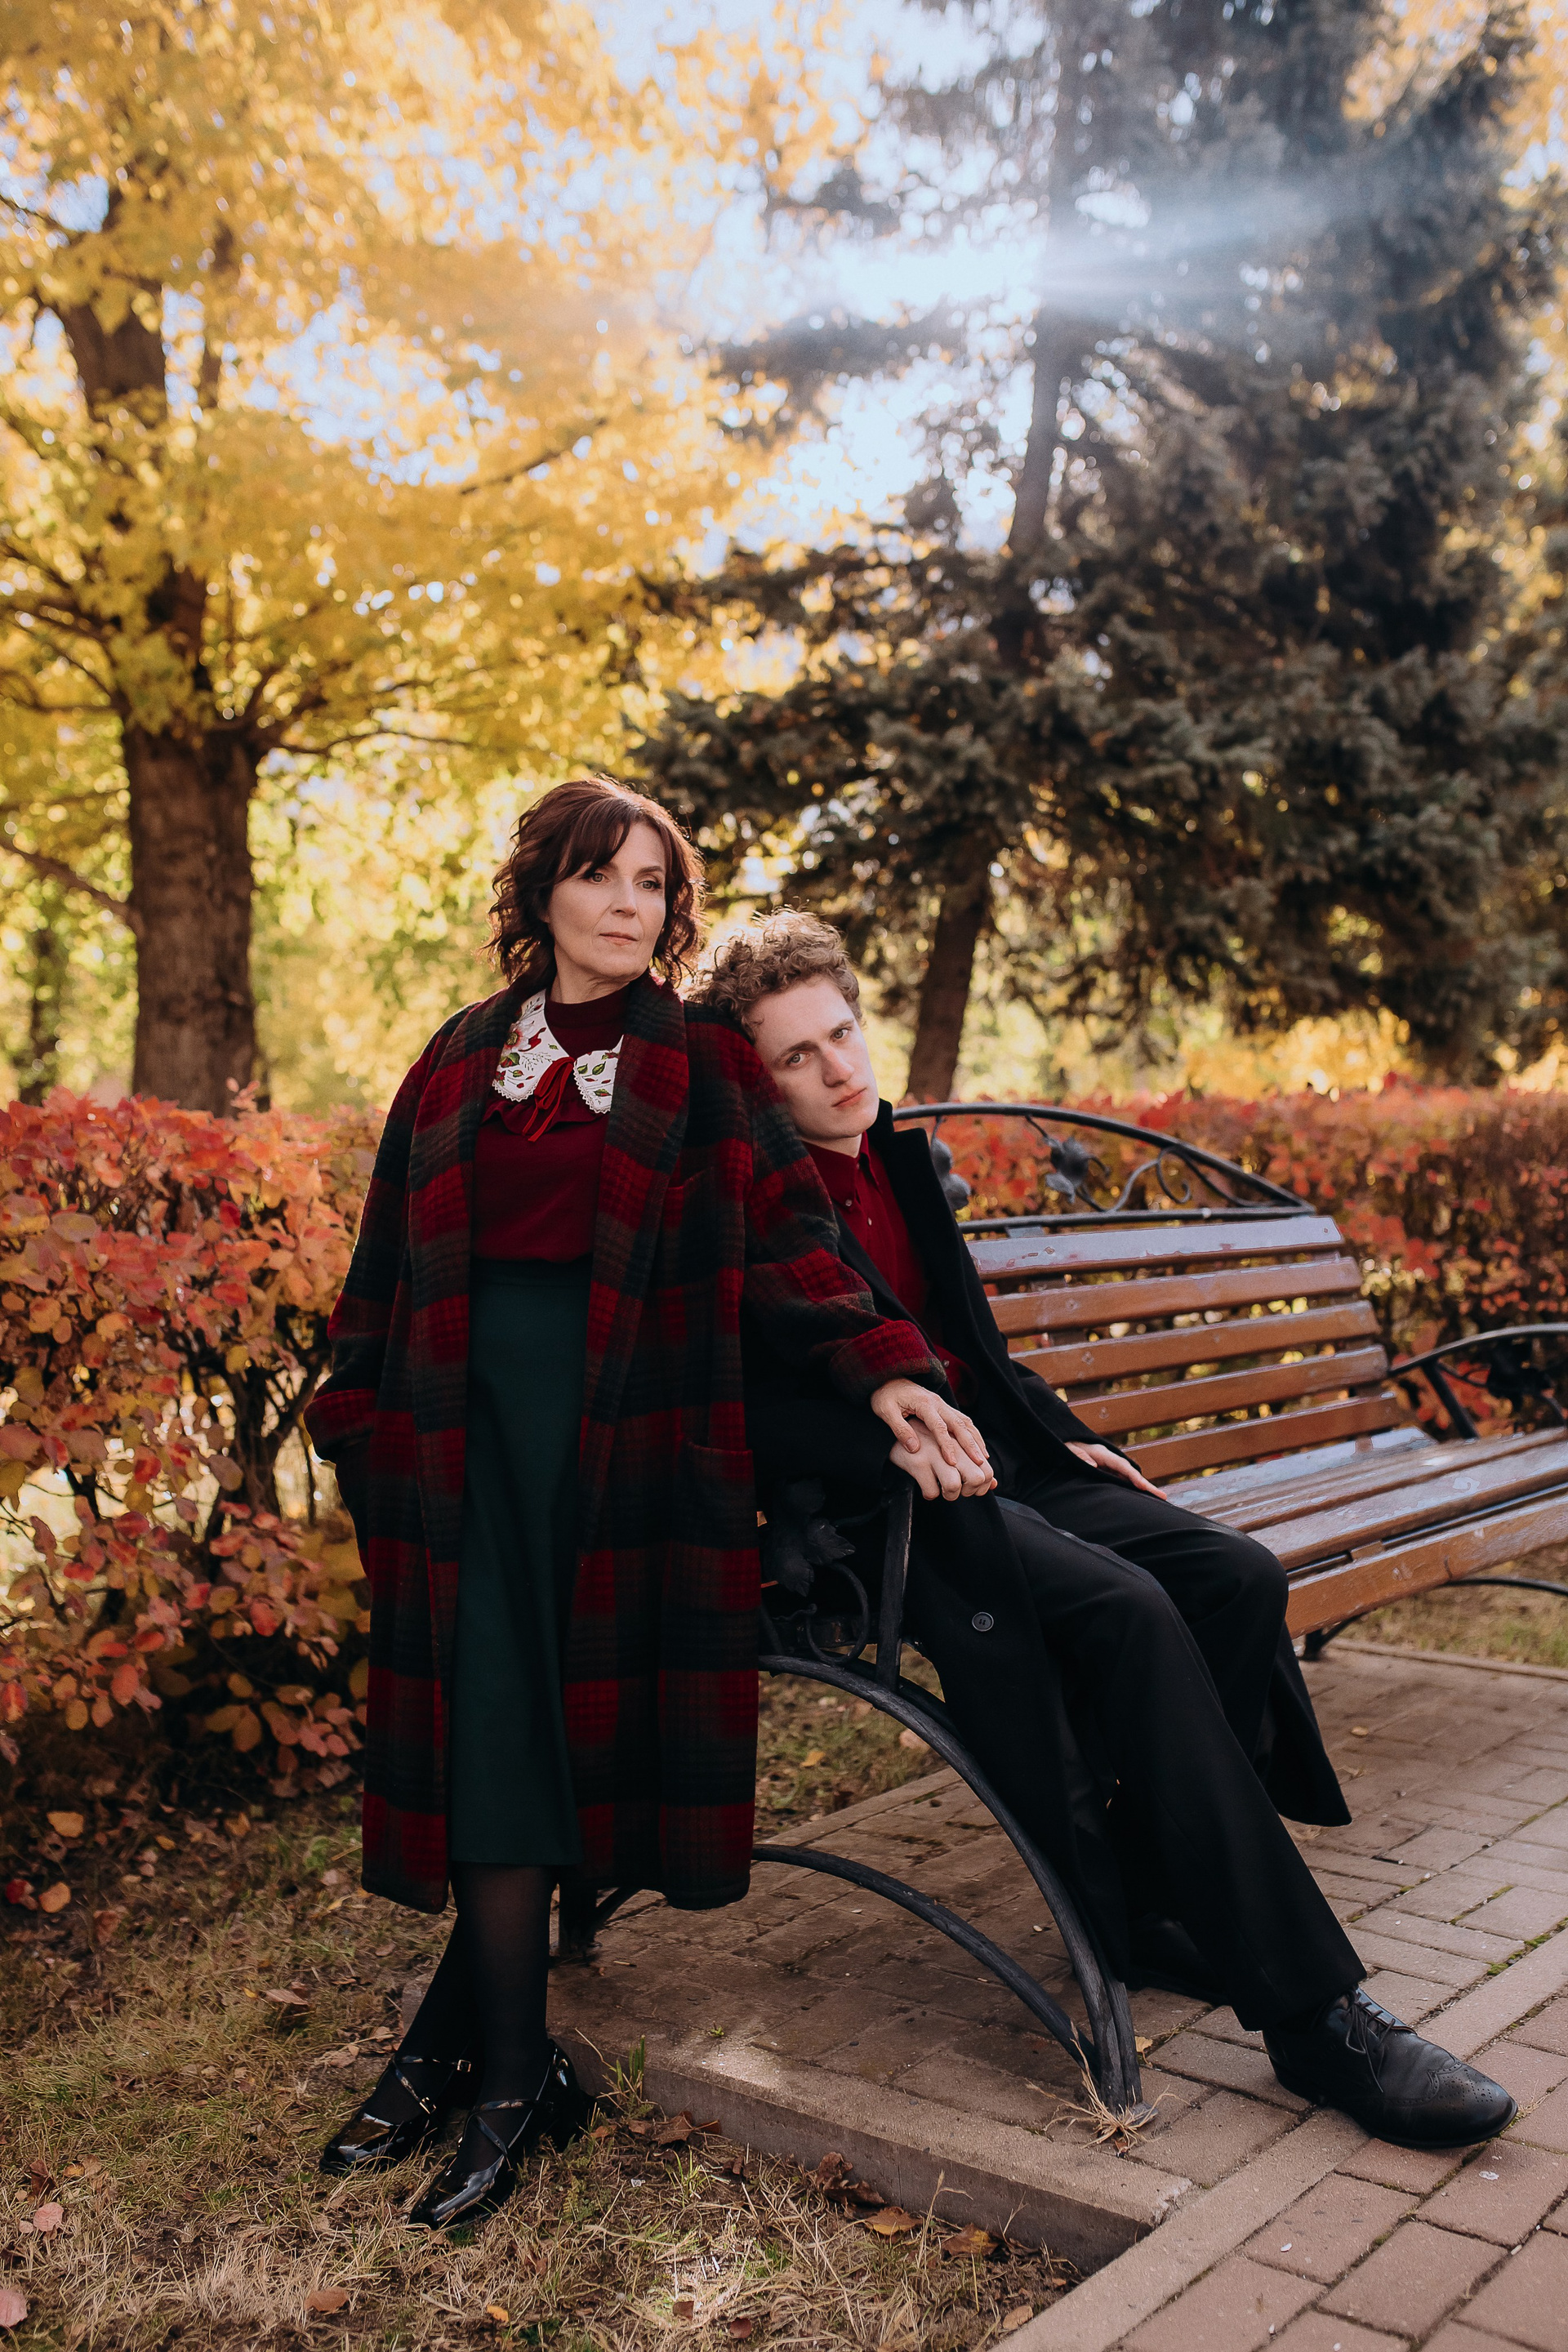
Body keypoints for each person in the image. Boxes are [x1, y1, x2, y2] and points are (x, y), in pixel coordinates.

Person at [688, 911, 1516, 2150]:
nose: (838, 1068)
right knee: (1129, 1611)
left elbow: (969, 1345)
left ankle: (1147, 1899)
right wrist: (888, 1439)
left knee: (1233, 1575)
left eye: (842, 1033)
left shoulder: (895, 1158)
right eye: (796, 1057)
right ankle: (1316, 2019)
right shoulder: (761, 1203)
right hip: (895, 1513)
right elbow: (746, 1395)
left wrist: (1062, 1434)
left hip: (1006, 1463)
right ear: (758, 1085)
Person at [304, 781, 988, 2231]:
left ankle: (489, 2076)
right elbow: (385, 1257)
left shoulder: (700, 1065)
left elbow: (793, 1247)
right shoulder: (460, 1055)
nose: (631, 904)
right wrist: (355, 1420)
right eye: (601, 876)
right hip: (460, 1442)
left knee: (553, 1734)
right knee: (494, 1729)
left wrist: (885, 1369)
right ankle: (503, 2073)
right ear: (541, 892)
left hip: (630, 1448)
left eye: (655, 884)